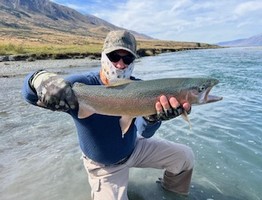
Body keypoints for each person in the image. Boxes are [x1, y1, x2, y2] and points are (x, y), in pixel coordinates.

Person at [22, 30, 194, 200]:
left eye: (127, 59)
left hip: (134, 148)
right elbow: (29, 97)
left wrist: (153, 118)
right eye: (114, 57)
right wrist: (37, 78)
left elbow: (145, 132)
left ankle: (172, 193)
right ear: (103, 57)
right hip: (103, 166)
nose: (120, 64)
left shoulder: (140, 88)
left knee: (185, 157)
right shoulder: (82, 85)